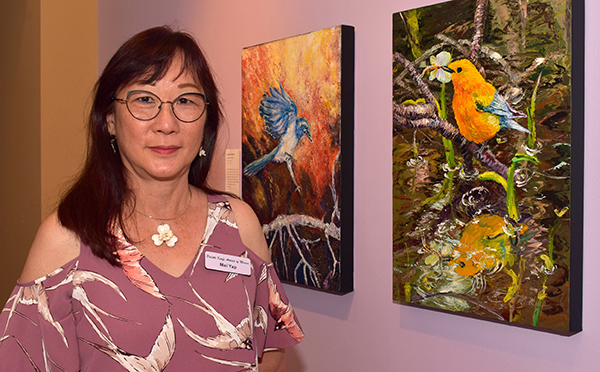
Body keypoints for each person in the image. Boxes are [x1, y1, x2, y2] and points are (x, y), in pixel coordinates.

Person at [0, 26, 303, 371]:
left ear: (206, 122)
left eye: (185, 101)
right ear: (110, 120)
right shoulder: (66, 239)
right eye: (145, 99)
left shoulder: (240, 224)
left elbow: (271, 349)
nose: (166, 123)